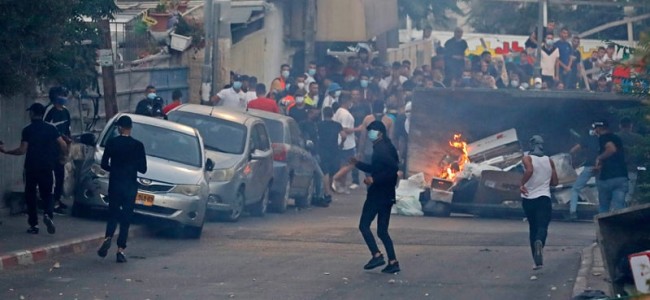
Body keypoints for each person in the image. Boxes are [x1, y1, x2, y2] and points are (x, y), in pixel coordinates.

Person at [0, 103, 68, 234]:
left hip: (31, 167)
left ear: (32, 113)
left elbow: (22, 150)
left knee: (30, 195)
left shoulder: (27, 129)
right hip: (47, 166)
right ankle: (48, 214)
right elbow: (63, 144)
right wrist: (62, 157)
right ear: (42, 114)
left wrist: (6, 151)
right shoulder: (51, 129)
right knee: (48, 194)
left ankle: (34, 225)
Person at [349, 120, 400, 274]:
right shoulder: (386, 146)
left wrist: (374, 179)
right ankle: (393, 261)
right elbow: (377, 168)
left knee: (364, 225)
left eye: (372, 130)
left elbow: (392, 169)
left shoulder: (381, 149)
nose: (370, 133)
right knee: (382, 231)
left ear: (380, 132)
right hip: (387, 195)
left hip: (378, 194)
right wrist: (358, 164)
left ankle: (376, 255)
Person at [97, 116, 147, 263]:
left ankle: (108, 237)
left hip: (115, 184)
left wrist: (115, 168)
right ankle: (120, 250)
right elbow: (143, 169)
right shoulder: (138, 146)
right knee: (126, 218)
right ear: (130, 128)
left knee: (113, 214)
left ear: (119, 128)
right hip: (130, 186)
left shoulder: (112, 143)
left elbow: (104, 164)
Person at [520, 135, 559, 270]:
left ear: (531, 145)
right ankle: (540, 242)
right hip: (544, 198)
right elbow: (555, 182)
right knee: (542, 226)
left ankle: (537, 262)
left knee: (533, 227)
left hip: (528, 199)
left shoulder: (527, 158)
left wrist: (522, 183)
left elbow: (529, 170)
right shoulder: (549, 160)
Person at [44, 86, 72, 213]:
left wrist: (67, 145)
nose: (64, 98)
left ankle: (57, 200)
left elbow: (68, 129)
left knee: (60, 176)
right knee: (50, 177)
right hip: (49, 150)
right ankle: (48, 202)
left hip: (61, 150)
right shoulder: (49, 111)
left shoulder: (66, 112)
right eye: (62, 95)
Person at [592, 120, 628, 213]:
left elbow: (611, 149)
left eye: (595, 129)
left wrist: (599, 158)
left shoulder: (603, 138)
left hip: (607, 178)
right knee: (619, 207)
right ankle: (619, 226)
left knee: (604, 207)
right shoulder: (617, 137)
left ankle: (605, 227)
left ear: (598, 129)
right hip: (621, 176)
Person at [567, 128, 600, 220]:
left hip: (589, 167)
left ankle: (572, 212)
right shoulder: (605, 139)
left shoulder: (588, 139)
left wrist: (572, 160)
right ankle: (602, 212)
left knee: (575, 189)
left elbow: (573, 150)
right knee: (601, 189)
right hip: (601, 167)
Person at [317, 107, 345, 204]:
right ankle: (328, 189)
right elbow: (344, 135)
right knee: (332, 171)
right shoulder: (337, 125)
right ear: (332, 114)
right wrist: (341, 144)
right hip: (334, 149)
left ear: (323, 114)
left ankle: (327, 192)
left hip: (323, 149)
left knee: (325, 170)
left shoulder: (319, 125)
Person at [331, 96, 356, 194]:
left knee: (344, 165)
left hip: (342, 141)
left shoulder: (338, 112)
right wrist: (358, 129)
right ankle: (335, 178)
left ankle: (342, 186)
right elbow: (345, 129)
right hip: (347, 143)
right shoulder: (345, 114)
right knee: (352, 164)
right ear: (347, 101)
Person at [617, 117, 642, 204]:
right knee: (629, 193)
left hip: (617, 170)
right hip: (632, 168)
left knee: (618, 193)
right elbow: (641, 154)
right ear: (631, 126)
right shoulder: (638, 138)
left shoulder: (615, 137)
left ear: (620, 126)